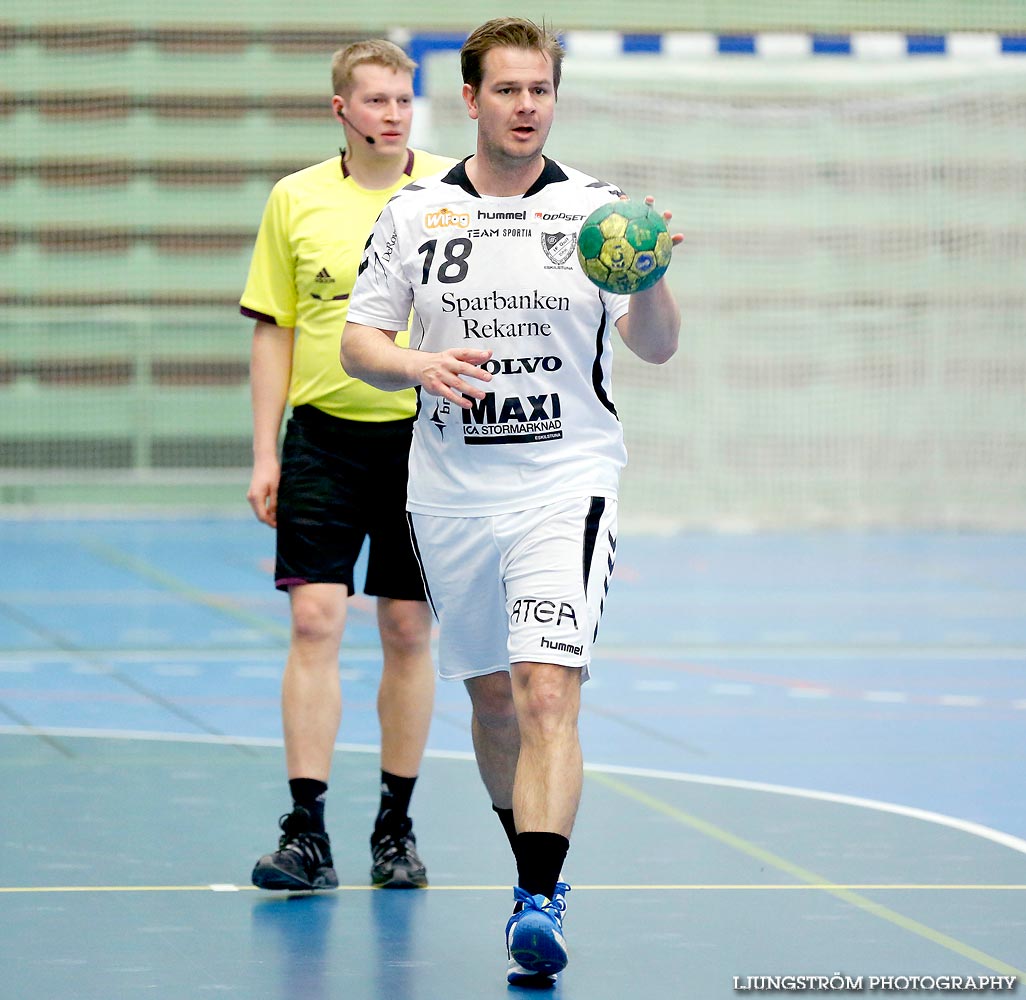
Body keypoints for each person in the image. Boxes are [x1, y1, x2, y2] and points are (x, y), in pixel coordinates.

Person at [340, 17, 682, 983]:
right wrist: (418, 364)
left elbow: (656, 347)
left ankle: (539, 896)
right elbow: (358, 343)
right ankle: (527, 855)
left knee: (546, 688)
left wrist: (652, 279)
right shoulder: (414, 215)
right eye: (509, 91)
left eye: (541, 91)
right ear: (473, 99)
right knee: (493, 701)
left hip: (564, 482)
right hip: (449, 491)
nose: (527, 107)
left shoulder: (599, 213)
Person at [239, 39, 453, 892]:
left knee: (406, 629)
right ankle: (306, 829)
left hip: (427, 444)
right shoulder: (295, 199)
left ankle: (394, 830)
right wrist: (266, 451)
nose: (393, 113)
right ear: (342, 110)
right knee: (315, 621)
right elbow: (274, 327)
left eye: (403, 98)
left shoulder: (450, 194)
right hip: (323, 437)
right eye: (375, 100)